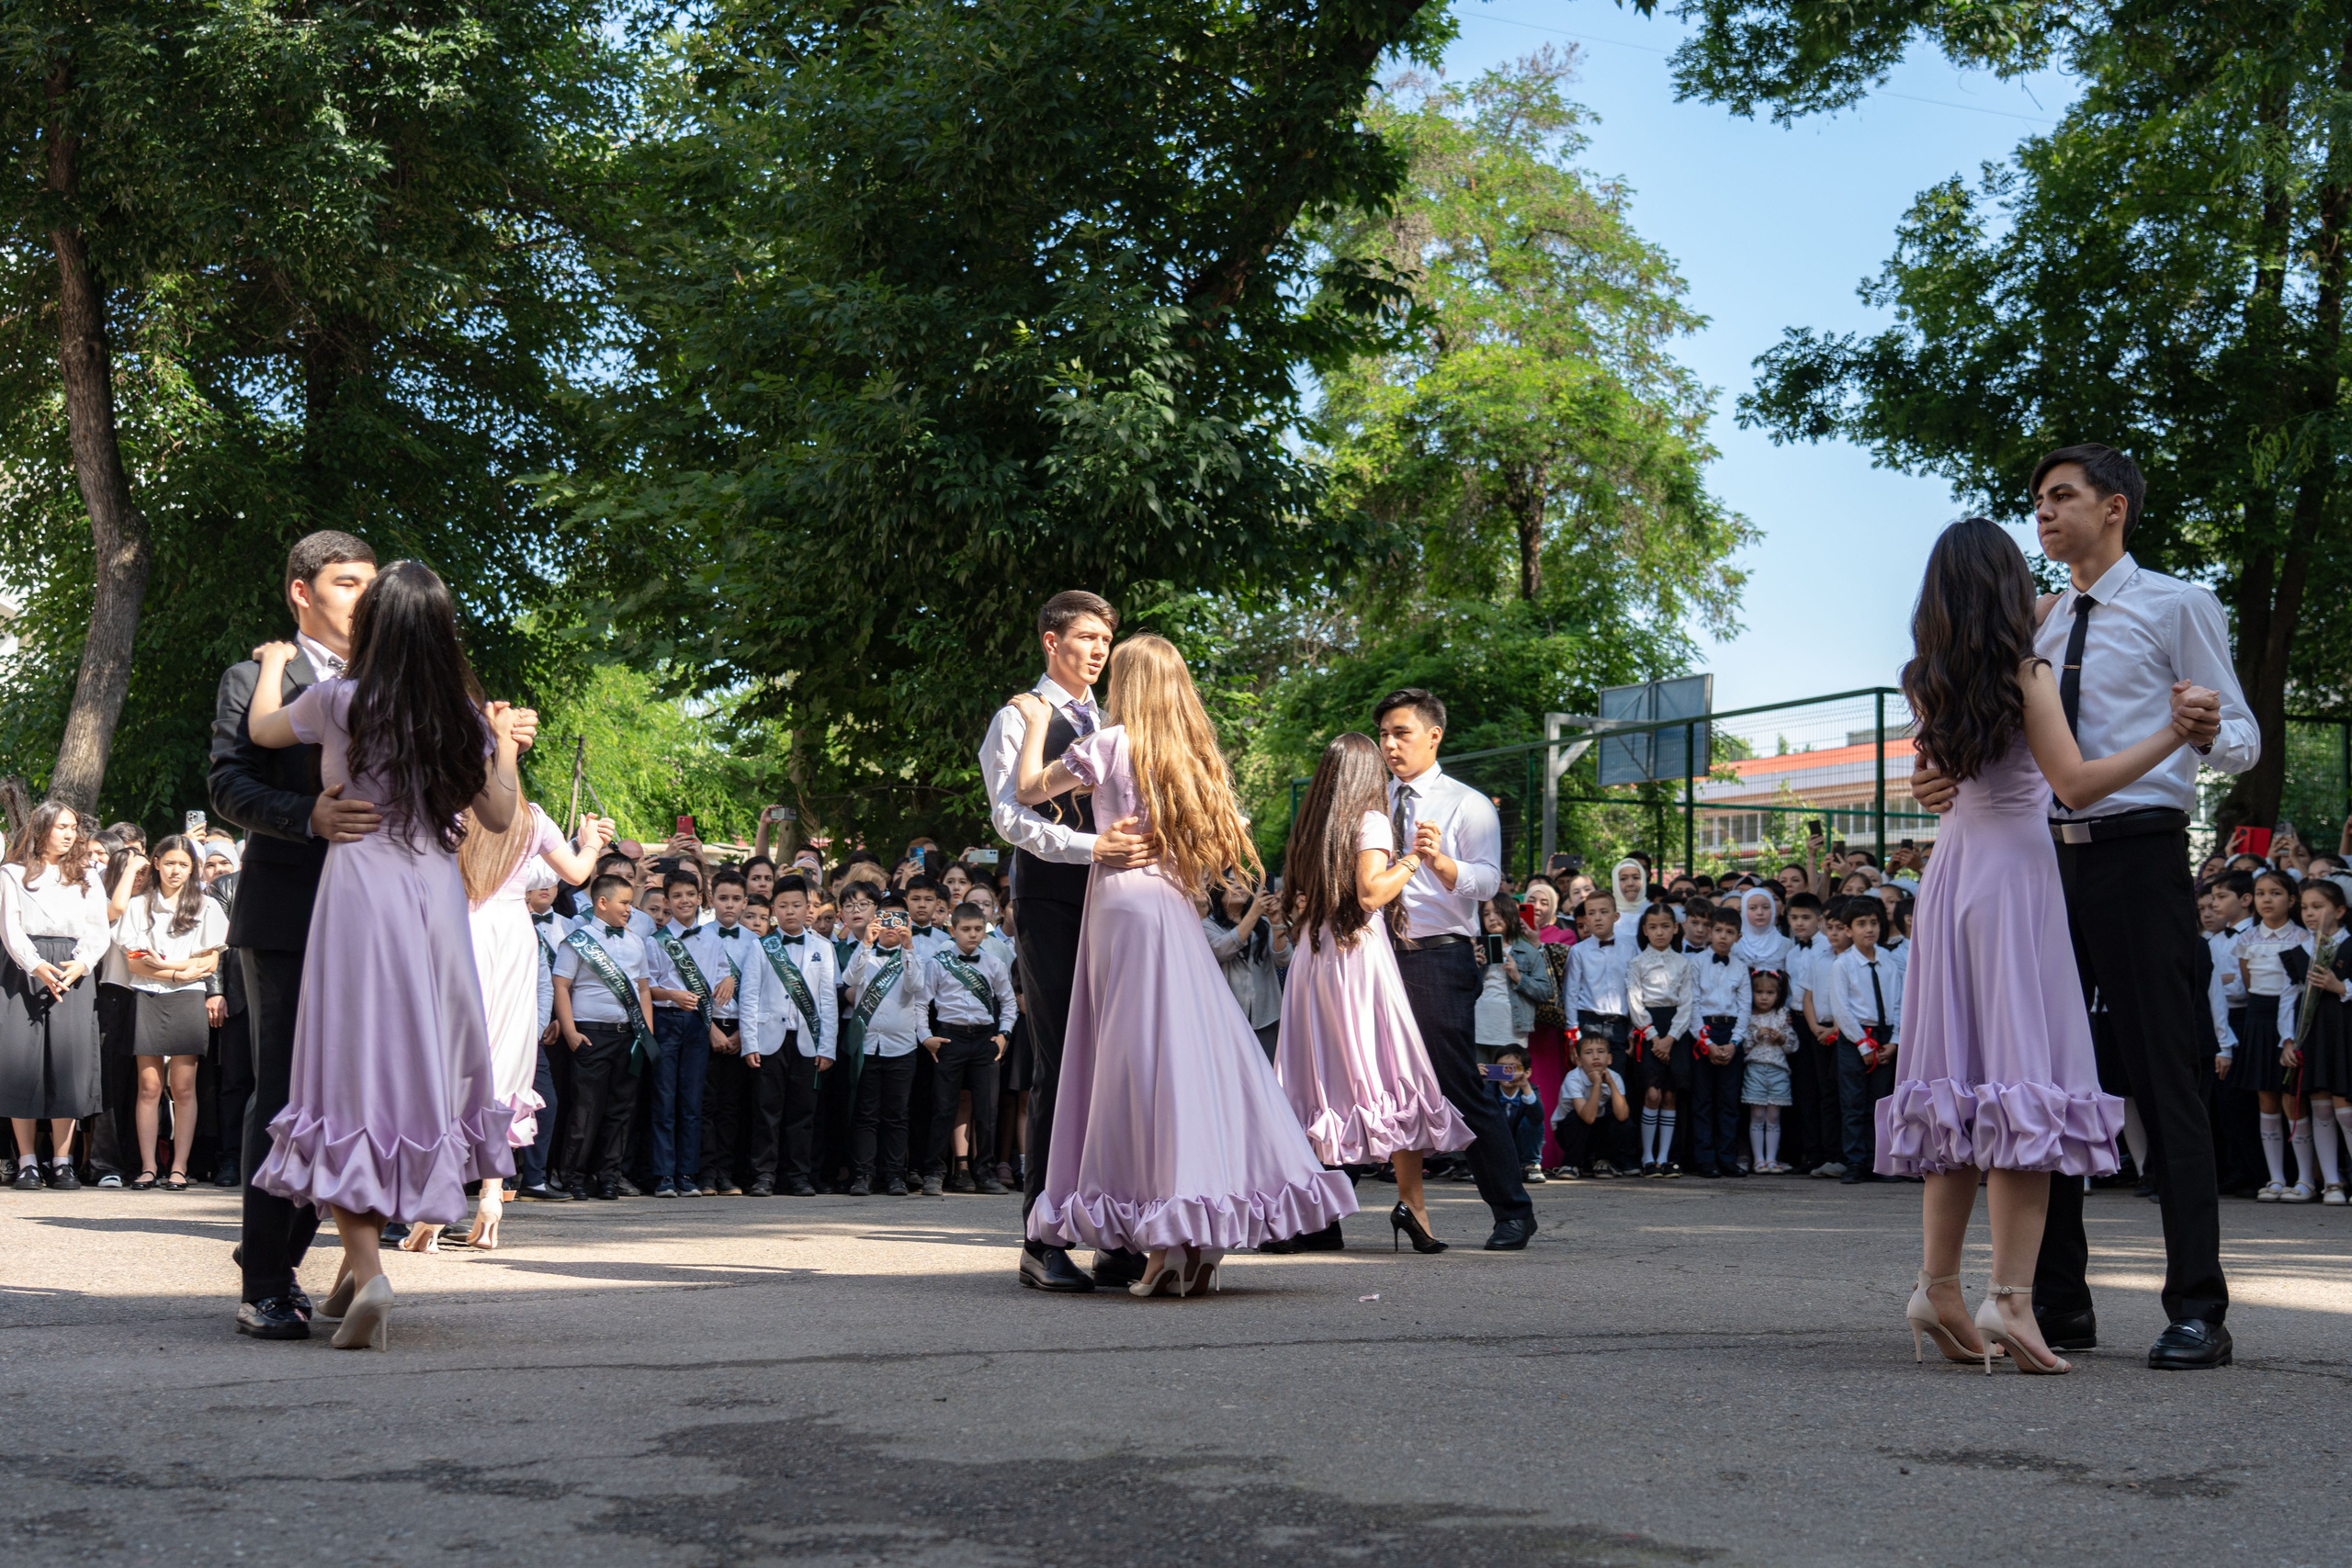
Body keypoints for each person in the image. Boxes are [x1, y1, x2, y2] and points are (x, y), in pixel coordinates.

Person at [1891, 510, 2216, 1376]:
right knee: (2025, 1083)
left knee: (1958, 1084)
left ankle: (1937, 1283)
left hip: (1951, 875)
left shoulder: (1925, 672)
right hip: (2018, 881)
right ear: (2007, 587)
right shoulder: (2025, 672)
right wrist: (2169, 736)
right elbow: (2072, 782)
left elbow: (1936, 774)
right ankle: (2010, 1301)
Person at [1015, 636, 1356, 1295]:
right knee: (1191, 1057)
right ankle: (1198, 1236)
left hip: (1121, 904)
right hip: (1171, 906)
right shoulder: (1195, 758)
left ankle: (1164, 1234)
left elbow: (1030, 789)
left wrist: (1034, 724)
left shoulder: (1109, 745)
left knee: (1137, 1066)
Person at [241, 561, 525, 1352]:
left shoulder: (341, 699)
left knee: (347, 1077)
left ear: (377, 627)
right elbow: (499, 813)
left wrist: (270, 666)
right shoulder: (460, 716)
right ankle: (351, 1280)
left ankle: (367, 1275)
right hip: (434, 900)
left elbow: (263, 729)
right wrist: (501, 745)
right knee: (410, 1072)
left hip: (361, 893)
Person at [979, 590, 1159, 1292]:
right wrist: (1094, 847)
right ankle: (1040, 1236)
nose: (1097, 650)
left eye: (1105, 640)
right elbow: (1008, 817)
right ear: (1051, 641)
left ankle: (1114, 1231)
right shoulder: (1020, 714)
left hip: (1122, 904)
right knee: (1061, 1063)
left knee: (1119, 1067)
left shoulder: (1114, 721)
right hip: (1053, 902)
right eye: (1085, 636)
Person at [1275, 731, 1472, 1254]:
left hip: (1313, 963)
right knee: (1394, 1073)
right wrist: (1411, 860)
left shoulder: (1310, 827)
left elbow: (1294, 901)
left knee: (1315, 1085)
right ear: (1366, 775)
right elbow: (1370, 894)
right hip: (1357, 961)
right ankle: (1413, 1206)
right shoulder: (1371, 821)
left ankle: (1312, 1220)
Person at [1374, 689, 1537, 1251]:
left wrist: (1444, 864)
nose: (1390, 745)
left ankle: (1513, 1210)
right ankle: (1316, 1217)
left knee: (1456, 1082)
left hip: (1437, 953)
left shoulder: (1466, 803)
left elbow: (1490, 881)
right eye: (1384, 735)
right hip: (1372, 953)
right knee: (1364, 1081)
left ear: (1434, 734)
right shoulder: (1369, 800)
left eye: (1402, 733)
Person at [443, 798, 605, 1247]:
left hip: (462, 927)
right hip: (515, 936)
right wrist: (588, 843)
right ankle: (492, 1196)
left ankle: (434, 1205)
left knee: (453, 1059)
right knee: (505, 1061)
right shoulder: (529, 815)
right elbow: (572, 873)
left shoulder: (451, 809)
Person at [2, 802, 107, 1191]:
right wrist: (34, 965)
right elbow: (10, 927)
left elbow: (98, 928)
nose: (69, 834)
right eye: (61, 826)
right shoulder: (13, 873)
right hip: (25, 967)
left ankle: (62, 1161)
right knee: (22, 1061)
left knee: (69, 1060)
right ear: (42, 828)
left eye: (73, 827)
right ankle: (27, 1160)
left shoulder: (87, 874)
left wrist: (81, 964)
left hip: (72, 967)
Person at [115, 835, 228, 1190]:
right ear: (156, 862)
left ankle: (179, 1167)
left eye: (184, 864)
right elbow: (136, 964)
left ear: (192, 868)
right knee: (148, 1086)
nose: (176, 870)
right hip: (147, 996)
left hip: (189, 997)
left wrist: (162, 964)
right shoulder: (138, 905)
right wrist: (178, 970)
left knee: (184, 1088)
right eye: (169, 862)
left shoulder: (206, 906)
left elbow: (209, 961)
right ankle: (149, 1166)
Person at [554, 872, 657, 1201]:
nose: (630, 909)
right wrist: (569, 1031)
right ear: (602, 902)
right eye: (624, 902)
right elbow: (561, 986)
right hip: (590, 1033)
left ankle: (609, 1176)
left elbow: (643, 990)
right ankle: (573, 1176)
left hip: (627, 1035)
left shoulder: (635, 941)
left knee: (620, 1109)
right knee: (586, 1108)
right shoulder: (579, 939)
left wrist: (646, 1032)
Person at [744, 873, 833, 1196]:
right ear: (773, 909)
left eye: (797, 905)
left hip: (807, 1040)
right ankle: (764, 1175)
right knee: (767, 1110)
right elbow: (749, 996)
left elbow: (828, 1002)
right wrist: (749, 1043)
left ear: (807, 906)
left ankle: (798, 1175)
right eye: (783, 906)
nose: (791, 911)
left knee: (803, 1111)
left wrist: (828, 1047)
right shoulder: (761, 947)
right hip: (769, 1038)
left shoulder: (823, 948)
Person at [921, 901, 1014, 1195]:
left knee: (987, 1111)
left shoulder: (994, 964)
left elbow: (1009, 1002)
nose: (972, 935)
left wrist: (1004, 1034)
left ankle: (985, 1172)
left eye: (977, 929)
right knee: (943, 1107)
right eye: (965, 929)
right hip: (950, 1038)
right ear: (953, 930)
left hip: (985, 1040)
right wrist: (926, 1036)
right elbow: (921, 1003)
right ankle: (934, 1173)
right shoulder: (937, 962)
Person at [845, 892, 930, 1198]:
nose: (891, 926)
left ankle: (895, 1175)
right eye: (886, 919)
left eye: (897, 920)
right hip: (868, 1046)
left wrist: (908, 947)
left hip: (901, 1047)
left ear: (906, 922)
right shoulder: (865, 951)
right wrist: (866, 943)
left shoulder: (912, 955)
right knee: (866, 1114)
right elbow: (849, 976)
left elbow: (916, 985)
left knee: (897, 1115)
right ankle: (863, 1174)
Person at [2237, 869, 2314, 1201]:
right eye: (2260, 893)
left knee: (2292, 1099)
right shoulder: (2246, 939)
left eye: (2275, 893)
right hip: (2258, 1018)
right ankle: (2276, 1178)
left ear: (2292, 900)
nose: (2266, 899)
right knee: (2265, 1097)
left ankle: (2306, 1178)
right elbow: (2248, 983)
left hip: (2291, 1019)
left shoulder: (2301, 938)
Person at [2288, 878, 2352, 1204]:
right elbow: (2289, 998)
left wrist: (2340, 987)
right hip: (2315, 1036)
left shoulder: (2351, 945)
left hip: (2346, 1033)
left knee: (2346, 1109)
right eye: (2305, 908)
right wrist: (2287, 1040)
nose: (2310, 914)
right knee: (2321, 1104)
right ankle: (2332, 1183)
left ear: (2340, 910)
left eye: (2318, 907)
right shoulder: (2300, 950)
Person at [1675, 908, 1751, 1179]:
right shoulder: (1695, 964)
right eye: (1718, 930)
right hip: (1703, 1032)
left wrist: (1734, 1042)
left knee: (1729, 1101)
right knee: (1702, 1100)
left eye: (1730, 932)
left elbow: (1745, 1008)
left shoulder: (1741, 968)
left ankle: (1727, 1157)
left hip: (1730, 1034)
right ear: (1709, 932)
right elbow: (1692, 1003)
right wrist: (1705, 1041)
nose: (1723, 936)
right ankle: (1705, 1158)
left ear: (1738, 937)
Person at [1624, 901, 1690, 1178]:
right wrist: (1654, 1037)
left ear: (1675, 928)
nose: (1660, 932)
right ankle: (1647, 1156)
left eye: (1665, 926)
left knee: (1670, 1095)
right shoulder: (1637, 962)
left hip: (1675, 1030)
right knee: (1651, 1093)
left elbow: (1687, 1004)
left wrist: (1671, 1038)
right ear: (1645, 930)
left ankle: (1665, 1158)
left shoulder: (1684, 963)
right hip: (1648, 1030)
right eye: (1653, 927)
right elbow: (1634, 1001)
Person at [1204, 878, 1287, 1061]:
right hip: (1227, 1017)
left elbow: (1284, 959)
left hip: (1267, 1012)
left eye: (1243, 882)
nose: (1238, 886)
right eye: (1231, 882)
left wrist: (1275, 921)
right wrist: (1255, 913)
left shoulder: (1263, 923)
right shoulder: (1207, 925)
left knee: (1269, 1070)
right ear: (1217, 889)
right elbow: (1222, 950)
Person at [1549, 1034, 1634, 1179]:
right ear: (1579, 1061)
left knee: (1623, 1122)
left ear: (1609, 1059)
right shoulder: (1573, 1078)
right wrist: (1597, 1084)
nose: (1595, 1057)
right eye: (1588, 1053)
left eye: (1601, 1052)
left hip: (1595, 1130)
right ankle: (1571, 1164)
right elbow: (1587, 1117)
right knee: (1576, 1118)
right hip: (1569, 1132)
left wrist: (1611, 1084)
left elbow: (1622, 1115)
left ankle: (1602, 1161)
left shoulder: (1615, 1077)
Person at [1740, 970, 1797, 1174]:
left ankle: (1772, 1159)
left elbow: (1793, 1045)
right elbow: (1743, 1045)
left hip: (1778, 1070)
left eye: (1770, 992)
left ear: (1778, 994)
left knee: (1773, 1116)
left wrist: (1781, 1038)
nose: (1764, 997)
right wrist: (1756, 1035)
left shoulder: (1782, 1015)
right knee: (1756, 1114)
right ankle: (1758, 1159)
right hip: (1755, 1069)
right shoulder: (1747, 1016)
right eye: (1759, 992)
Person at [1492, 1047, 1546, 1176]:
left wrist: (1525, 1085)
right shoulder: (1490, 1090)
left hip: (1520, 1145)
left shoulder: (1530, 1089)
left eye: (1513, 1067)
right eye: (1501, 1067)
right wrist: (1476, 1080)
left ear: (1527, 1072)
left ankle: (1531, 1164)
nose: (1507, 1072)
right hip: (1496, 1147)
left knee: (1533, 1120)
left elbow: (1539, 1117)